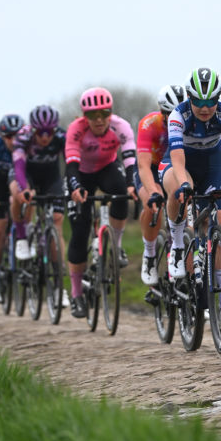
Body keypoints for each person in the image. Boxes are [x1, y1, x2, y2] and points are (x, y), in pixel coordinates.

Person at [63, 87, 137, 318]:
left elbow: (131, 160)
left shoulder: (120, 126)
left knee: (121, 192)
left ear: (110, 113)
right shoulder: (76, 130)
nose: (99, 120)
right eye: (93, 115)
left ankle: (116, 245)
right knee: (80, 228)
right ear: (84, 115)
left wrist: (134, 184)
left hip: (107, 168)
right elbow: (71, 165)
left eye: (104, 114)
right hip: (81, 174)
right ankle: (76, 294)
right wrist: (75, 188)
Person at [161, 68, 221, 291]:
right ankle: (176, 246)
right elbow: (177, 157)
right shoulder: (178, 115)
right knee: (179, 189)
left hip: (212, 165)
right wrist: (184, 183)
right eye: (198, 102)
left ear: (219, 98)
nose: (205, 108)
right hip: (180, 163)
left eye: (211, 101)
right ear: (189, 98)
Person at [135, 84, 187, 285]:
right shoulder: (149, 124)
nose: (173, 117)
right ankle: (149, 255)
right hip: (152, 169)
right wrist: (153, 191)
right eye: (169, 113)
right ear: (162, 111)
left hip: (176, 167)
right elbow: (143, 166)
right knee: (152, 201)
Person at [9, 106, 67, 277]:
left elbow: (70, 163)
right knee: (16, 193)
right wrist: (24, 188)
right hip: (27, 174)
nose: (44, 137)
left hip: (51, 177)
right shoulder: (23, 136)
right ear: (33, 129)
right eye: (40, 132)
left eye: (49, 132)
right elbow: (18, 166)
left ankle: (57, 279)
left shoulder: (61, 136)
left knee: (57, 222)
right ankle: (21, 236)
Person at [0, 114, 24, 303]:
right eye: (9, 136)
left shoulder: (27, 145)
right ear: (2, 136)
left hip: (19, 182)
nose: (13, 140)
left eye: (17, 135)